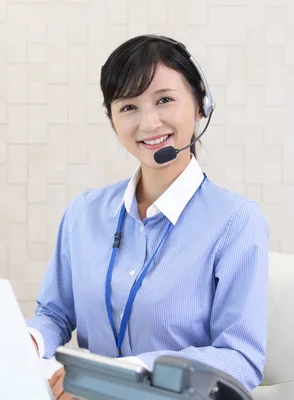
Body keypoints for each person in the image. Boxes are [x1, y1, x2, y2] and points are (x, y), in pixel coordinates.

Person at [25, 34, 269, 400]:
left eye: (165, 100)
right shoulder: (84, 212)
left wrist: (117, 378)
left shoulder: (236, 222)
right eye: (128, 107)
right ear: (111, 119)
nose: (149, 123)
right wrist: (29, 340)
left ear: (200, 104)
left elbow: (241, 358)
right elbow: (55, 314)